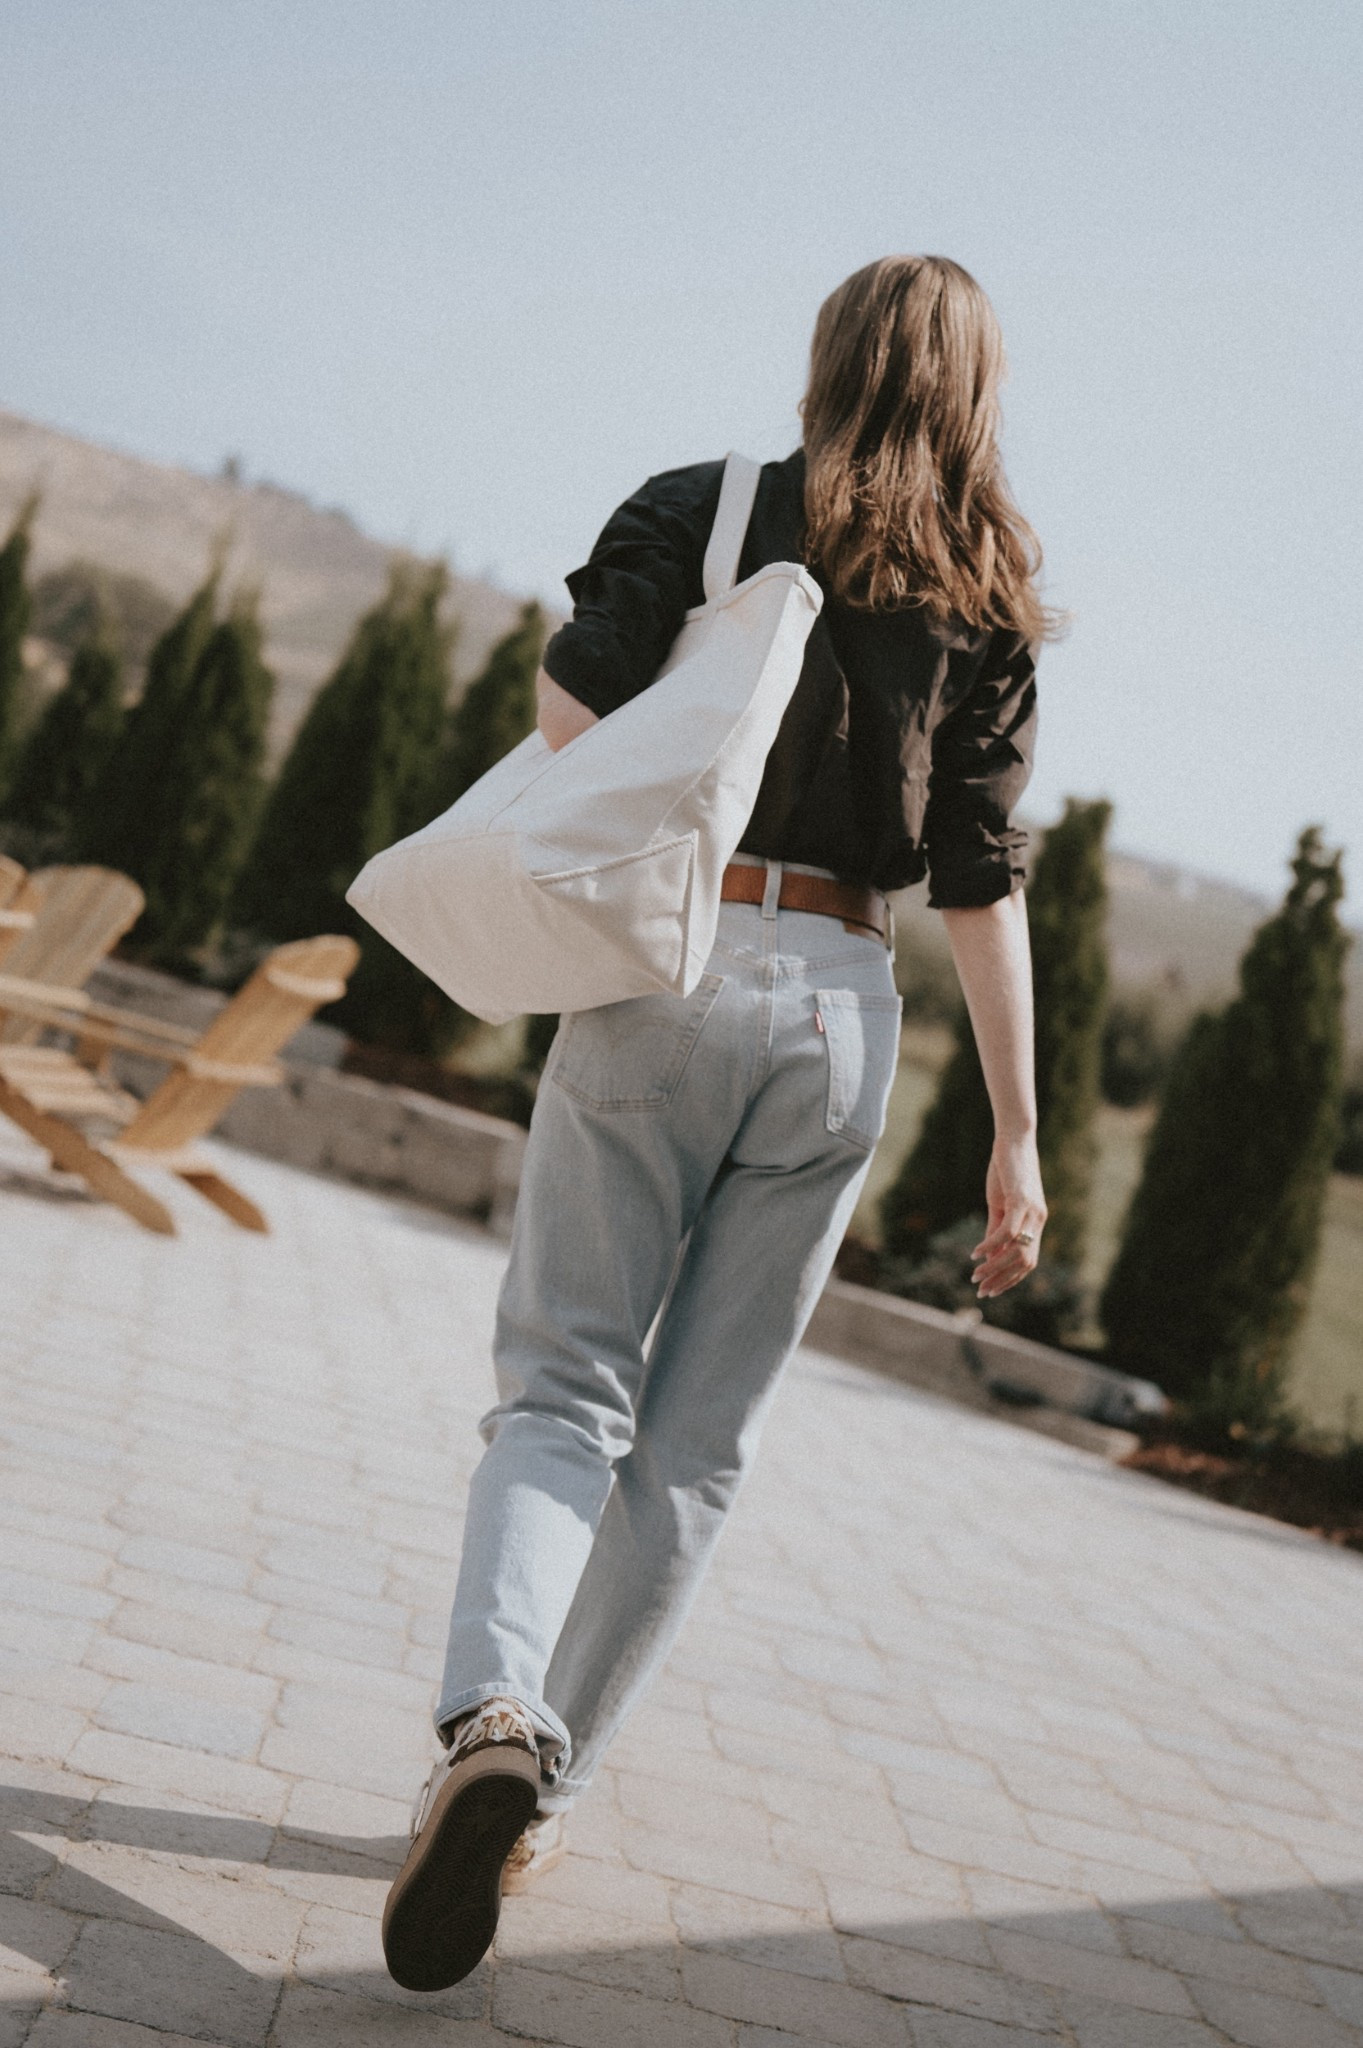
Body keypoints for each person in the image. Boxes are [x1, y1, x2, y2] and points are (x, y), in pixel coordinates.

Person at [382, 253, 1057, 1992]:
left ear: (828, 356)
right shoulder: (992, 591)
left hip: (676, 966)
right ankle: (541, 1801)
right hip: (846, 1003)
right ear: (978, 388)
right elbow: (982, 883)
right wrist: (1018, 1143)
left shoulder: (709, 508)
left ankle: (489, 1715)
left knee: (562, 1387)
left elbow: (571, 725)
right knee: (695, 1453)